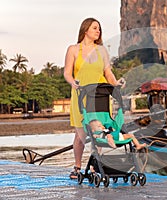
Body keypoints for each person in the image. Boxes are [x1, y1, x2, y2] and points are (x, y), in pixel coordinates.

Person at [64, 17, 125, 179]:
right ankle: (77, 167)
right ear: (85, 30)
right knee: (81, 134)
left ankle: (93, 166)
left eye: (99, 29)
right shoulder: (73, 49)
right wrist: (73, 82)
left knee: (99, 132)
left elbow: (108, 73)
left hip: (100, 96)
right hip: (81, 95)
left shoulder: (102, 51)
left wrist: (116, 83)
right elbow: (67, 73)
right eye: (95, 28)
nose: (98, 31)